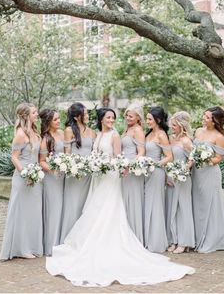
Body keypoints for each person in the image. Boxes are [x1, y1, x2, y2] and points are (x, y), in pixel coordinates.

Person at [46, 107, 194, 287]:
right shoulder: (99, 133)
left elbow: (118, 157)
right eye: (108, 117)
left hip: (111, 176)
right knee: (95, 207)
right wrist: (96, 164)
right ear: (101, 119)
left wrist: (117, 166)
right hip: (98, 176)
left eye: (113, 117)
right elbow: (97, 154)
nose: (112, 120)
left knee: (109, 207)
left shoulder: (115, 135)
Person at [0, 103, 43, 260]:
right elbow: (14, 157)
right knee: (22, 212)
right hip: (23, 177)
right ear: (26, 116)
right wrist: (25, 174)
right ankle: (22, 248)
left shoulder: (34, 132)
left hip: (35, 177)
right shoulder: (20, 134)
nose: (37, 114)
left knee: (33, 212)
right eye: (34, 112)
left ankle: (32, 245)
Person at [192, 106, 224, 253]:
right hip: (196, 172)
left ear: (214, 121)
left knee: (209, 204)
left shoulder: (219, 137)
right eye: (204, 115)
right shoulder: (199, 131)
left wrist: (203, 159)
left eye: (207, 117)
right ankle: (196, 236)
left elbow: (218, 158)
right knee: (197, 202)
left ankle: (211, 238)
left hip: (210, 174)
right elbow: (193, 150)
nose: (203, 118)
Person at [60, 102, 96, 243]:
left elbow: (94, 152)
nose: (87, 116)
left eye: (87, 113)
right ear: (76, 117)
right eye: (84, 114)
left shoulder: (92, 132)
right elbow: (67, 154)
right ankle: (69, 239)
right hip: (74, 174)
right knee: (73, 204)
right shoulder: (69, 130)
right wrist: (73, 167)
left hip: (88, 175)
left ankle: (83, 239)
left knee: (85, 205)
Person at [166, 111, 195, 254]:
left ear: (181, 125)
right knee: (173, 209)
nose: (172, 127)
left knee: (183, 209)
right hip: (171, 178)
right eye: (171, 125)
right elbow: (169, 158)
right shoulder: (172, 139)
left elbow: (192, 160)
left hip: (183, 178)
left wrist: (183, 170)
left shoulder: (186, 141)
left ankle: (185, 242)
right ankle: (174, 239)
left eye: (174, 125)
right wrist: (168, 175)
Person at [144, 106, 172, 253]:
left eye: (150, 119)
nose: (147, 121)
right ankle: (147, 238)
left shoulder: (161, 134)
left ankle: (156, 241)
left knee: (154, 205)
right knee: (147, 204)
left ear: (158, 120)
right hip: (145, 173)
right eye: (147, 118)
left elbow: (169, 156)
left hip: (156, 173)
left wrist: (155, 164)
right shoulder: (148, 133)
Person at [39, 109, 64, 256]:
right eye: (55, 119)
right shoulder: (45, 139)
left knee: (62, 208)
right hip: (52, 178)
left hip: (64, 176)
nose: (59, 121)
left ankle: (60, 241)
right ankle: (51, 244)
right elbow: (42, 161)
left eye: (59, 118)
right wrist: (54, 171)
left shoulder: (61, 133)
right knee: (54, 208)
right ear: (48, 122)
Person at [121, 102, 145, 243]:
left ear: (138, 117)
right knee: (125, 201)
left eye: (131, 116)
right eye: (127, 116)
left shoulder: (138, 130)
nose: (128, 118)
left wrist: (129, 166)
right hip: (124, 169)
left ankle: (135, 237)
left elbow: (141, 152)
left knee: (133, 201)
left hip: (132, 170)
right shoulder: (127, 129)